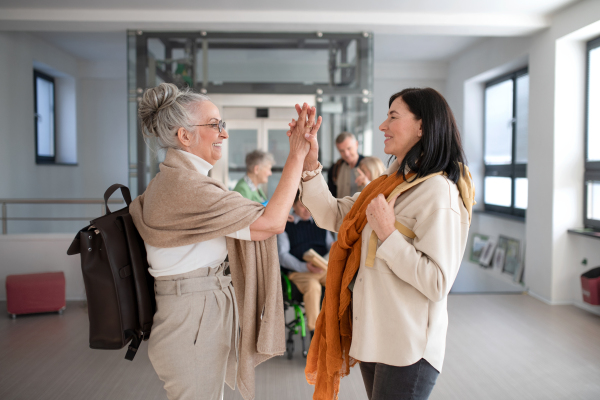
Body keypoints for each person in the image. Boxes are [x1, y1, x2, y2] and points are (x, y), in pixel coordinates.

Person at [129, 83, 321, 400]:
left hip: (198, 310)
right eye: (214, 125)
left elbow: (263, 225)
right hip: (192, 317)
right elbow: (271, 223)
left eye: (223, 124)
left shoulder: (184, 181)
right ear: (184, 136)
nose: (224, 134)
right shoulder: (185, 185)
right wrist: (297, 154)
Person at [288, 88, 475, 400]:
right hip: (374, 337)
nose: (382, 126)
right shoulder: (387, 185)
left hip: (408, 347)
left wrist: (389, 235)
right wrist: (309, 163)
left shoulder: (438, 193)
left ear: (422, 126)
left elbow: (437, 282)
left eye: (393, 117)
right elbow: (334, 214)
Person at [277, 191, 334, 336]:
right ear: (293, 205)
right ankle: (316, 334)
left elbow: (332, 247)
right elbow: (283, 256)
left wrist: (327, 259)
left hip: (322, 269)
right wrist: (304, 266)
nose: (307, 210)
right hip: (299, 272)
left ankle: (339, 327)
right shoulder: (285, 226)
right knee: (313, 287)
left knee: (339, 281)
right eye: (302, 205)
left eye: (309, 206)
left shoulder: (320, 224)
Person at [327, 132, 365, 198]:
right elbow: (331, 196)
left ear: (356, 144)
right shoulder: (334, 169)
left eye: (349, 148)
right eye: (342, 151)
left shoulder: (370, 165)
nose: (346, 154)